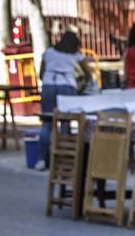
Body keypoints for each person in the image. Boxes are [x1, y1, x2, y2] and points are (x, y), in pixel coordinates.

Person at [36, 30, 94, 160]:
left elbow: (41, 74)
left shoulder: (49, 52)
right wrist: (82, 85)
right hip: (67, 86)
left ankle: (41, 159)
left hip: (48, 85)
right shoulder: (75, 55)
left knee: (47, 122)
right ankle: (63, 157)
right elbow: (88, 74)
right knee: (65, 122)